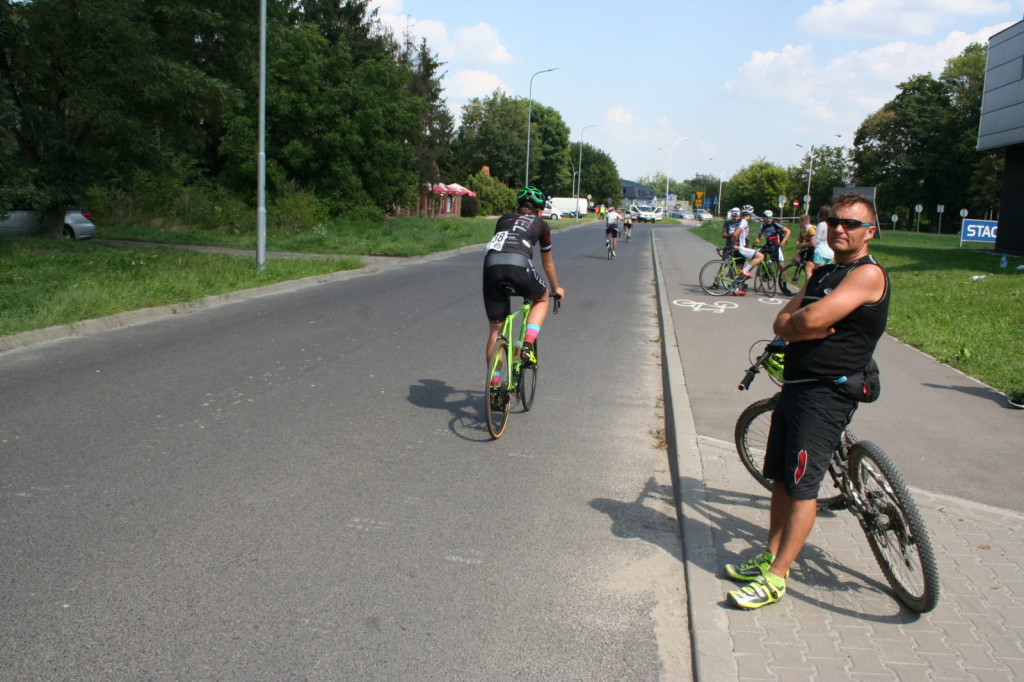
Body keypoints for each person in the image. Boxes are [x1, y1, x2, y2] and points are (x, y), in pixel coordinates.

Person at [725, 192, 890, 610]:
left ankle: (778, 577)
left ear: (869, 232)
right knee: (781, 477)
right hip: (797, 387)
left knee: (801, 487)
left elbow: (809, 319)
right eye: (833, 221)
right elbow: (780, 322)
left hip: (827, 392)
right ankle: (769, 556)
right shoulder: (824, 275)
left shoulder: (867, 275)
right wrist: (800, 327)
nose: (838, 228)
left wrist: (801, 325)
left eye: (850, 223)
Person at [482, 186, 565, 381]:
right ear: (540, 211)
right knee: (541, 298)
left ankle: (493, 386)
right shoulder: (542, 225)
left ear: (517, 208)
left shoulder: (504, 219)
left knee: (495, 331)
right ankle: (527, 346)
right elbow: (548, 263)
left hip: (491, 267)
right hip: (518, 265)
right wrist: (556, 288)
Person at [740, 210, 791, 279]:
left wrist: (784, 240)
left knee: (781, 264)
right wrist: (758, 239)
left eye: (770, 218)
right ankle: (746, 274)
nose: (768, 220)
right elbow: (759, 236)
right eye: (767, 218)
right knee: (756, 255)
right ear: (764, 218)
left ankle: (784, 281)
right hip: (767, 246)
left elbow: (788, 231)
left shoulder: (775, 224)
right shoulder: (763, 226)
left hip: (776, 246)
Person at [778, 215, 815, 296]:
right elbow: (799, 239)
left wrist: (802, 245)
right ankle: (802, 267)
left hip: (815, 250)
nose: (798, 224)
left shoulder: (811, 229)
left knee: (810, 267)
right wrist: (798, 243)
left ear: (803, 222)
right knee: (795, 258)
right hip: (808, 249)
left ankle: (809, 276)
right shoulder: (803, 230)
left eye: (799, 222)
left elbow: (813, 242)